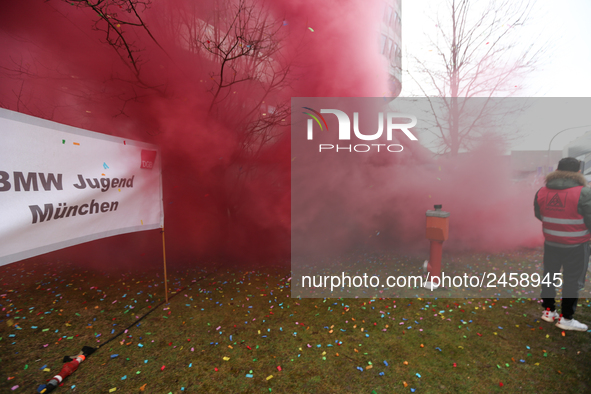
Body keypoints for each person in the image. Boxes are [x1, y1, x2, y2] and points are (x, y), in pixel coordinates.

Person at [534, 157, 591, 331]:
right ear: (579, 173)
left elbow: (539, 214)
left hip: (551, 243)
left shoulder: (542, 191)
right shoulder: (584, 192)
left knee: (549, 276)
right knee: (572, 281)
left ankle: (549, 311)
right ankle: (566, 318)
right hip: (577, 244)